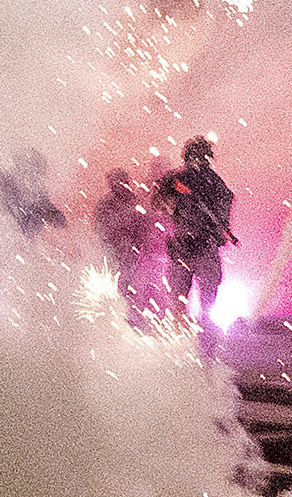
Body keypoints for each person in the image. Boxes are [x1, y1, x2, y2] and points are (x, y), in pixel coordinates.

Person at [154, 137, 237, 357]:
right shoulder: (178, 179)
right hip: (184, 246)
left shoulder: (213, 183)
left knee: (205, 300)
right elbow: (158, 199)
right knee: (180, 300)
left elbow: (226, 201)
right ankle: (179, 346)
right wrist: (172, 207)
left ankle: (204, 345)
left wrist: (220, 227)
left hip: (202, 246)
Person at [92, 167, 165, 332]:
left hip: (133, 254)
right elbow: (100, 228)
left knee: (135, 288)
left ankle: (134, 320)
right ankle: (126, 319)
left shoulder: (133, 202)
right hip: (118, 253)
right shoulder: (109, 204)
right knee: (127, 287)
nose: (119, 185)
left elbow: (145, 226)